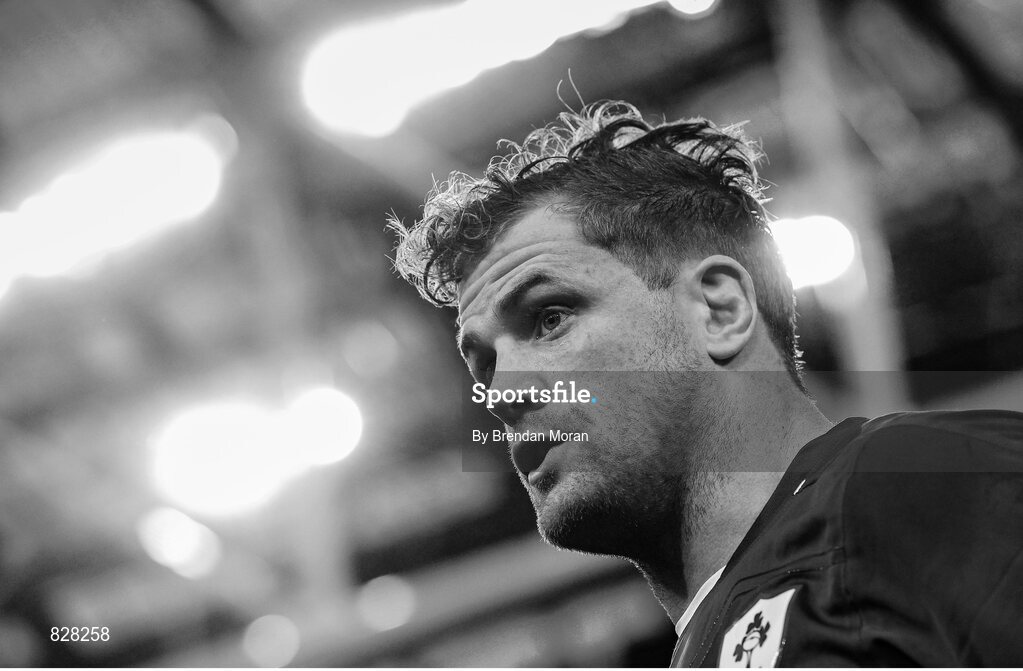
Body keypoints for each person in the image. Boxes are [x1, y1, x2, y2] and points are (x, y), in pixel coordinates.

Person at [389, 101, 1023, 666]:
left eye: (550, 318)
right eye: (485, 365)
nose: (502, 393)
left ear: (718, 310)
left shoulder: (914, 485)